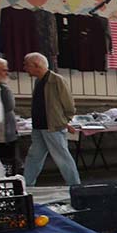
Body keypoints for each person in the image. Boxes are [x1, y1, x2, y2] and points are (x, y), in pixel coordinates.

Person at [21, 53, 80, 187]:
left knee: (62, 157)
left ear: (37, 66)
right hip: (39, 127)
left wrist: (64, 121)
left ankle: (75, 185)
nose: (25, 68)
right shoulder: (38, 81)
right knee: (34, 157)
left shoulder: (56, 80)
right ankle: (26, 185)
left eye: (27, 65)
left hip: (53, 126)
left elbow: (69, 104)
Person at [0, 74, 20, 174]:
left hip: (5, 128)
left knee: (6, 158)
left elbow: (9, 106)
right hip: (4, 128)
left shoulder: (3, 89)